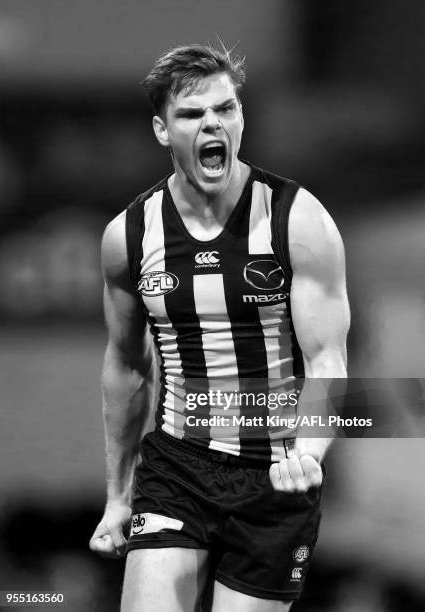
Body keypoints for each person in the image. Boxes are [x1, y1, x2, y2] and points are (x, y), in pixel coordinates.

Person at [89, 43, 350, 612]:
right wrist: (117, 496)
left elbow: (328, 359)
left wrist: (308, 450)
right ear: (163, 130)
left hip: (275, 476)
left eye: (226, 109)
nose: (213, 123)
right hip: (177, 467)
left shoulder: (298, 220)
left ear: (239, 117)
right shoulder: (128, 237)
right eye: (192, 113)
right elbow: (127, 366)